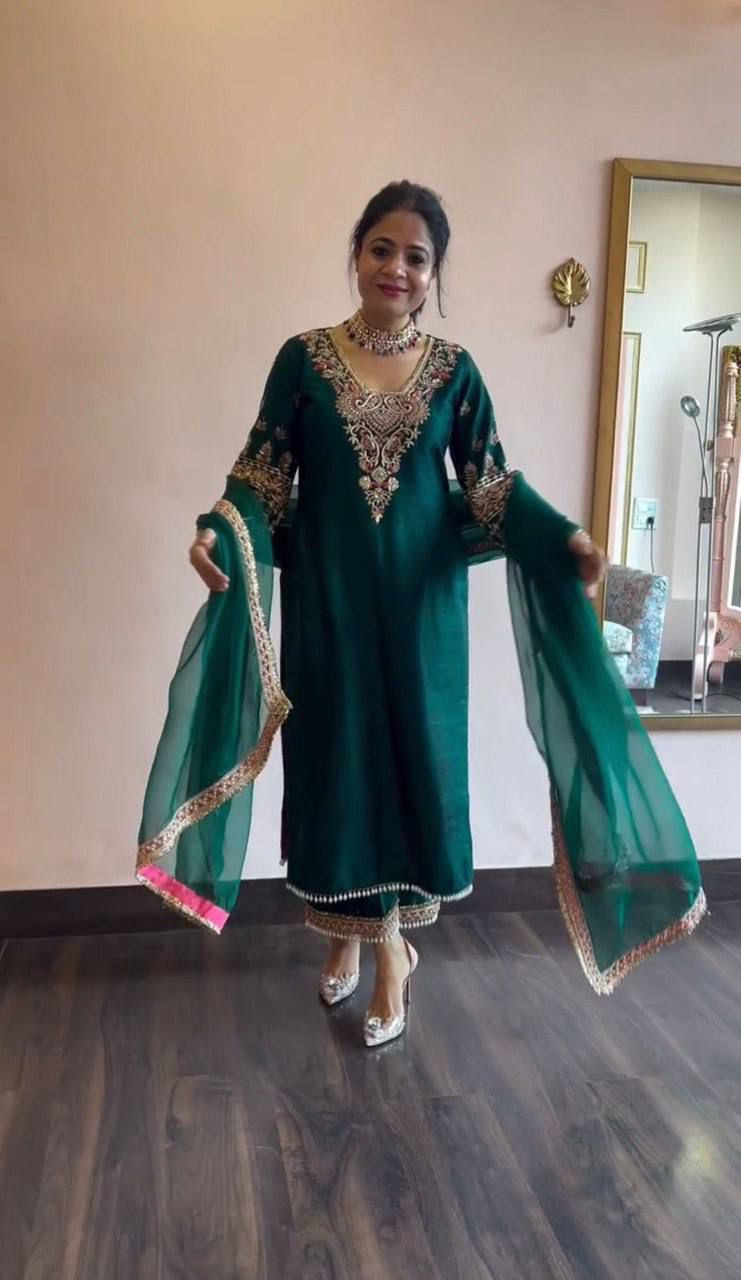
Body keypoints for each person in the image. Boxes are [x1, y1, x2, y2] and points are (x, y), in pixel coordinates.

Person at [136, 181, 706, 1047]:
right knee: (336, 770)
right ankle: (346, 935)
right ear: (356, 254)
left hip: (421, 621)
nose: (396, 269)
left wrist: (563, 537)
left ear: (433, 274)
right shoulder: (302, 360)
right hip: (329, 614)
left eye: (416, 257)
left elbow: (489, 486)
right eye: (382, 249)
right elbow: (260, 477)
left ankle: (393, 955)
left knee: (410, 772)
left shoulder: (453, 370)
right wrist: (218, 528)